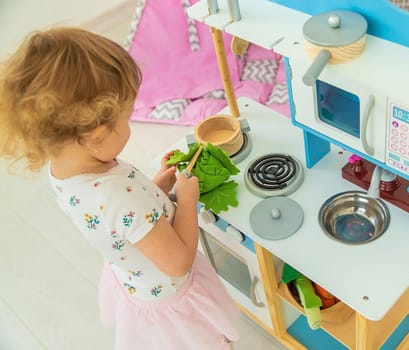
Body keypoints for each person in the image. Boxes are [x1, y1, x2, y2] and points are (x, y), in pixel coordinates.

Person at [0, 27, 239, 349]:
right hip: (172, 293)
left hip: (135, 278)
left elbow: (125, 222)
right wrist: (186, 199)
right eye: (126, 119)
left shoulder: (65, 172)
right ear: (95, 136)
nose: (130, 125)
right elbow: (178, 260)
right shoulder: (115, 197)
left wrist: (158, 185)